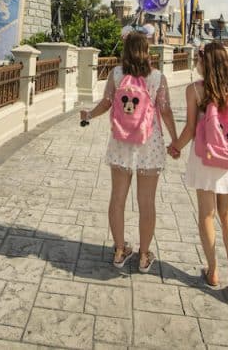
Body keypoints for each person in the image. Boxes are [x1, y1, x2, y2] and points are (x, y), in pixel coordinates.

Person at [79, 29, 177, 273]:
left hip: (121, 142)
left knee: (118, 199)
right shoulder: (157, 78)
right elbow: (164, 111)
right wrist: (175, 140)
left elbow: (106, 103)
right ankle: (144, 256)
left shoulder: (115, 74)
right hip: (149, 144)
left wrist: (89, 115)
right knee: (147, 203)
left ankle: (120, 250)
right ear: (146, 51)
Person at [167, 42, 228, 296]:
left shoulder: (195, 90)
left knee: (206, 214)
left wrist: (175, 147)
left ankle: (212, 270)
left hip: (205, 159)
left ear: (204, 62)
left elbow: (191, 130)